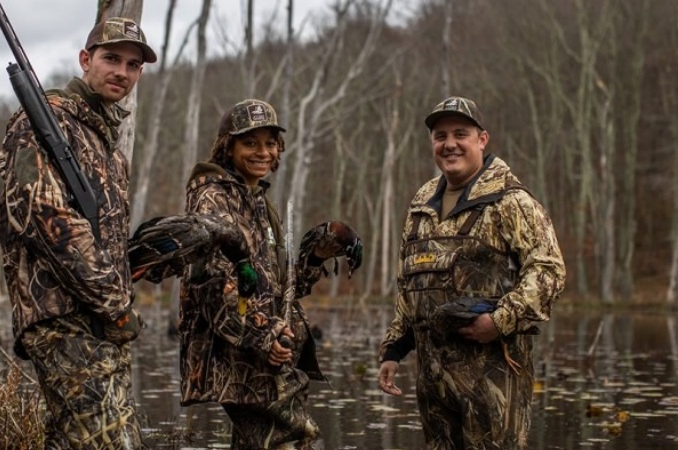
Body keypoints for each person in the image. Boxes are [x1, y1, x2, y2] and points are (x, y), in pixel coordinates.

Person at [0, 17, 157, 449]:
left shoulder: (107, 144)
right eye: (111, 59)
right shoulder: (43, 120)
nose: (122, 72)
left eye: (133, 64)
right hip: (64, 317)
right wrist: (116, 304)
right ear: (86, 59)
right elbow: (47, 219)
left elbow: (106, 239)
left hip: (100, 321)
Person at [377, 96, 566, 449]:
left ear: (482, 139)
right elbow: (410, 285)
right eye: (440, 136)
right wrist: (393, 351)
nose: (449, 144)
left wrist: (500, 321)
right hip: (434, 380)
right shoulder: (421, 204)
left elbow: (548, 270)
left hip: (492, 378)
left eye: (460, 134)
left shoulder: (510, 201)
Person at [178, 99, 361, 449]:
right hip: (243, 354)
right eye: (250, 143)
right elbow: (213, 284)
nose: (263, 152)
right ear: (227, 146)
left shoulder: (258, 199)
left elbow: (279, 286)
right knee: (293, 438)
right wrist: (263, 336)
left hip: (268, 353)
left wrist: (317, 255)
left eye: (270, 142)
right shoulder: (213, 199)